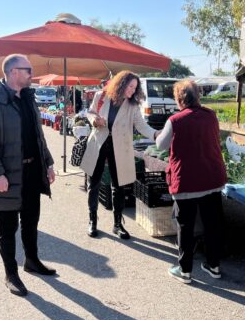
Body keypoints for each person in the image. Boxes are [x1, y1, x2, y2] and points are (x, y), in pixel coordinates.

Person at [0, 54, 56, 297]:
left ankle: (32, 260)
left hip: (32, 172)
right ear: (13, 72)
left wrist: (48, 163)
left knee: (31, 221)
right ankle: (11, 274)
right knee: (7, 227)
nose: (32, 74)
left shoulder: (29, 98)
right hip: (7, 175)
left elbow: (38, 136)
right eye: (28, 69)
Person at [156, 79, 227, 283]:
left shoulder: (175, 120)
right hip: (212, 179)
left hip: (187, 181)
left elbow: (161, 145)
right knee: (212, 224)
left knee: (185, 227)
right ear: (198, 96)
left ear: (179, 99)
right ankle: (213, 266)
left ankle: (185, 270)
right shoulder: (211, 115)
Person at [80, 70, 158, 239]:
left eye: (135, 88)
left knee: (119, 185)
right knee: (94, 184)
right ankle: (92, 221)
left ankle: (117, 224)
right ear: (121, 83)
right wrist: (94, 120)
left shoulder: (133, 105)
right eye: (130, 86)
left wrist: (156, 134)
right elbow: (90, 112)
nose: (132, 90)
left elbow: (142, 126)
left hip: (120, 147)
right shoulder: (101, 96)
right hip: (99, 143)